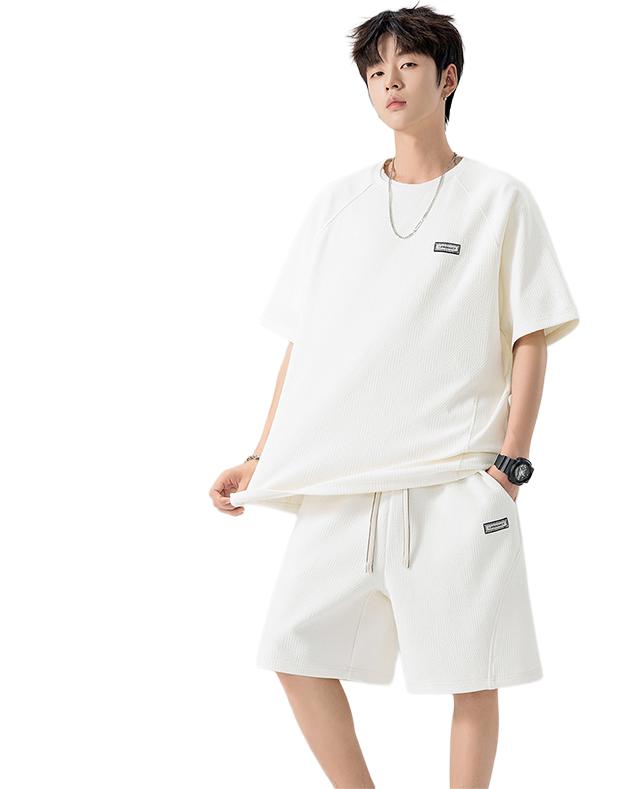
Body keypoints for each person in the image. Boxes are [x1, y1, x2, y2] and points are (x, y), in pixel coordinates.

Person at [209, 6, 580, 787]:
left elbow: (530, 333)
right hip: (342, 483)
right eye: (375, 70)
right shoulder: (335, 204)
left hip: (456, 478)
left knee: (472, 670)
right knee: (293, 650)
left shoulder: (499, 198)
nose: (389, 82)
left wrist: (511, 463)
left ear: (447, 79)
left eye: (407, 64)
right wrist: (260, 455)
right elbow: (305, 344)